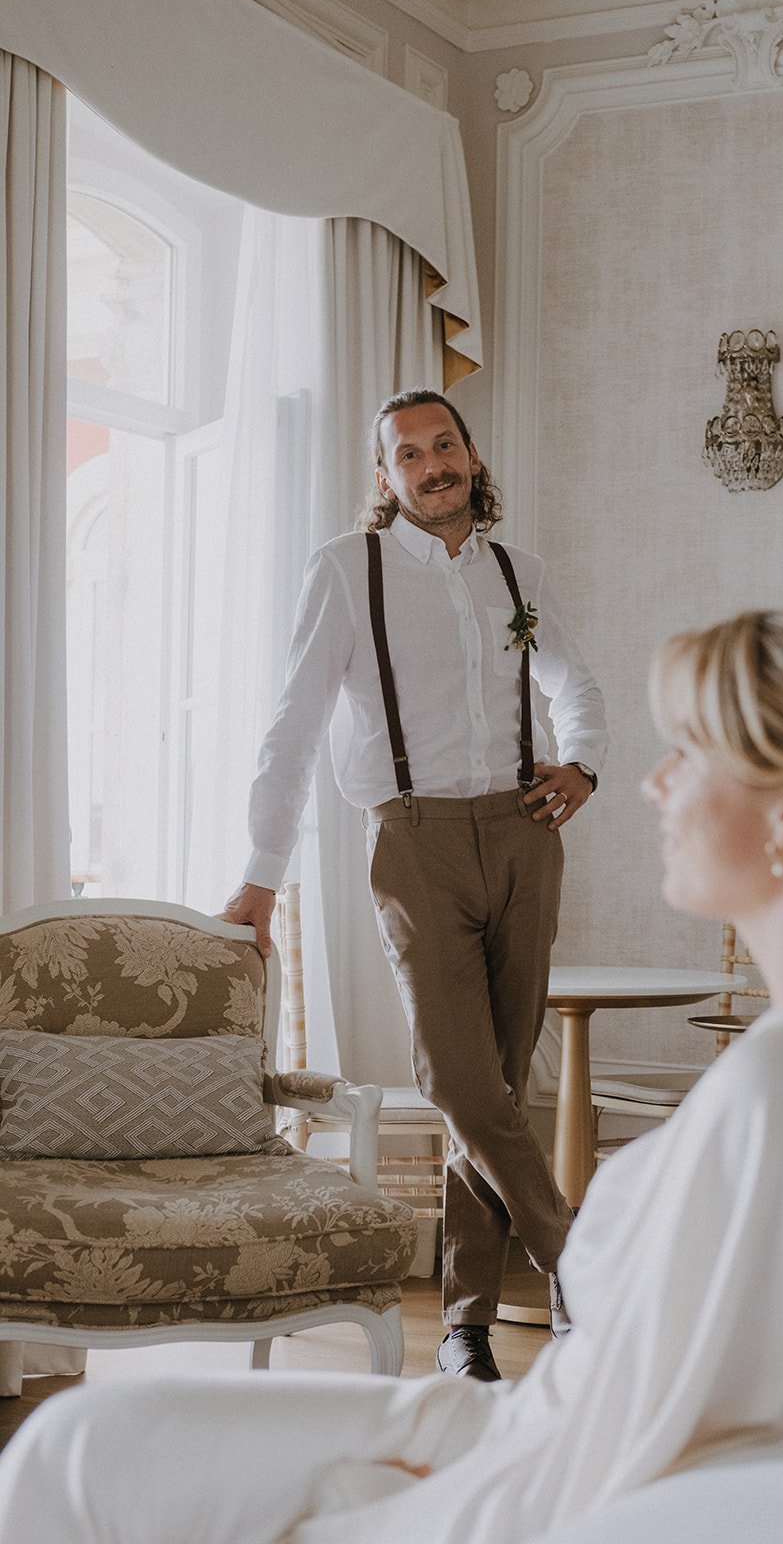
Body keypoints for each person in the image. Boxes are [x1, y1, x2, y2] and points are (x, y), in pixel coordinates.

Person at [2, 598, 783, 1544]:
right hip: (535, 1414)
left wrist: (393, 1503)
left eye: (685, 752)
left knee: (79, 1449)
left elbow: (634, 1441)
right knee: (99, 1435)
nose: (649, 784)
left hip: (532, 1444)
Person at [220, 387, 608, 1380]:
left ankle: (466, 1325)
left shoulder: (517, 575)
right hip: (413, 839)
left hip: (524, 833)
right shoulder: (347, 572)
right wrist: (260, 879)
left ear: (472, 457)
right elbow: (292, 730)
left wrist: (583, 762)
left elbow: (571, 680)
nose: (432, 463)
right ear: (385, 480)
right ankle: (590, 1273)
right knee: (462, 1081)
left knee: (502, 1092)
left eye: (445, 444)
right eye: (408, 453)